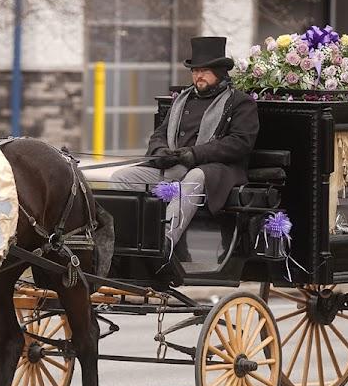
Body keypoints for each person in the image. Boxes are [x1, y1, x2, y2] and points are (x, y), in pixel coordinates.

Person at [111, 36, 260, 256]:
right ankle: (129, 238)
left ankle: (164, 240)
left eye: (204, 71)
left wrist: (195, 154)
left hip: (216, 171)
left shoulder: (240, 102)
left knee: (196, 176)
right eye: (195, 71)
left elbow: (240, 143)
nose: (198, 76)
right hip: (175, 167)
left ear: (220, 72)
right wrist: (160, 152)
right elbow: (159, 134)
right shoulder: (182, 100)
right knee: (122, 177)